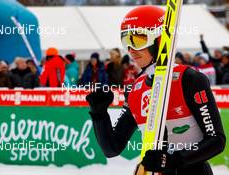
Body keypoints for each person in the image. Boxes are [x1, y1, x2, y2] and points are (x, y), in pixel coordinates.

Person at [86, 5, 225, 175]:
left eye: (137, 40)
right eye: (126, 41)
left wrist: (173, 159)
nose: (131, 49)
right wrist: (99, 114)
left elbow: (216, 140)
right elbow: (112, 148)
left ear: (159, 39)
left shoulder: (189, 79)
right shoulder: (135, 89)